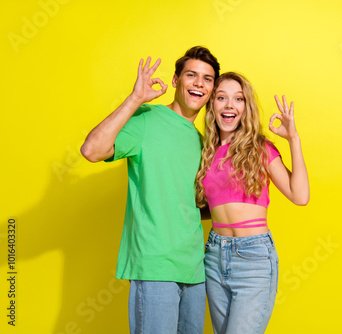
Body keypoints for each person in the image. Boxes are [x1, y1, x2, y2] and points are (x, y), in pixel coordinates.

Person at [80, 46, 220, 334]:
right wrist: (134, 100)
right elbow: (92, 150)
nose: (198, 84)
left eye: (207, 79)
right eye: (191, 75)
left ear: (212, 89)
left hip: (195, 269)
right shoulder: (147, 119)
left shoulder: (203, 142)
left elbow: (195, 205)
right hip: (155, 265)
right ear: (175, 80)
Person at [195, 72, 310, 333]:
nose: (229, 105)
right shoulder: (206, 152)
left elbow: (300, 195)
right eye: (221, 98)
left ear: (246, 107)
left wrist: (293, 139)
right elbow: (203, 206)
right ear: (212, 104)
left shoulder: (260, 148)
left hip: (253, 258)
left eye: (238, 99)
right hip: (214, 255)